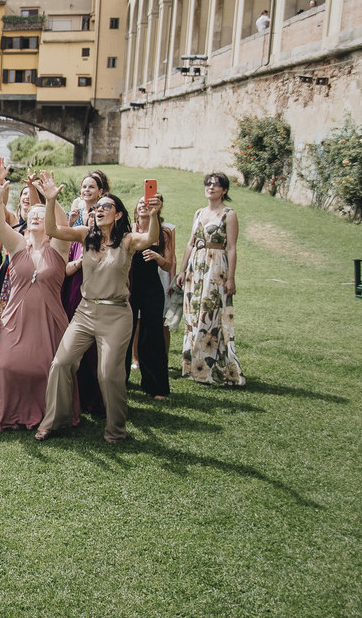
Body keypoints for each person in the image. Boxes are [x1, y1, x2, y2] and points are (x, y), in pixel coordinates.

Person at [34, 172, 161, 443]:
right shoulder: (84, 234)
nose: (100, 209)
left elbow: (150, 238)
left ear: (117, 215)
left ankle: (116, 429)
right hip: (85, 312)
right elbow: (54, 231)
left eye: (107, 206)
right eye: (98, 207)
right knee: (61, 362)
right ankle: (55, 420)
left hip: (116, 314)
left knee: (108, 374)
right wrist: (49, 200)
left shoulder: (127, 240)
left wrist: (153, 215)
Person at [0, 166, 73, 431]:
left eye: (41, 215)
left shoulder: (59, 246)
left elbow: (64, 225)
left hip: (50, 318)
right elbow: (0, 225)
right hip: (16, 317)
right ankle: (5, 414)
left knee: (47, 371)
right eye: (31, 215)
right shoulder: (16, 245)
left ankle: (48, 418)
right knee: (4, 367)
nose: (35, 217)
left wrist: (50, 200)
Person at [178, 172, 245, 386]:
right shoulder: (199, 212)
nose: (211, 187)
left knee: (210, 314)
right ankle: (192, 365)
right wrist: (182, 270)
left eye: (216, 185)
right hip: (195, 268)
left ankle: (212, 366)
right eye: (208, 184)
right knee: (193, 315)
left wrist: (231, 278)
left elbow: (232, 247)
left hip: (216, 268)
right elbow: (190, 242)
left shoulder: (229, 214)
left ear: (224, 190)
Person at [63, 170, 109, 417]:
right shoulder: (77, 208)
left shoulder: (106, 213)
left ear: (101, 191)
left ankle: (96, 396)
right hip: (77, 265)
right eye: (84, 187)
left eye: (92, 187)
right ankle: (76, 391)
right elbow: (66, 235)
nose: (87, 191)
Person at [127, 195, 175, 399]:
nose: (144, 206)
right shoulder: (128, 230)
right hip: (128, 287)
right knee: (125, 335)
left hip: (152, 288)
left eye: (148, 204)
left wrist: (158, 257)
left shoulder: (163, 232)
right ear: (136, 209)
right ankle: (121, 382)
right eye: (141, 203)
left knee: (152, 335)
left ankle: (156, 386)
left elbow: (169, 264)